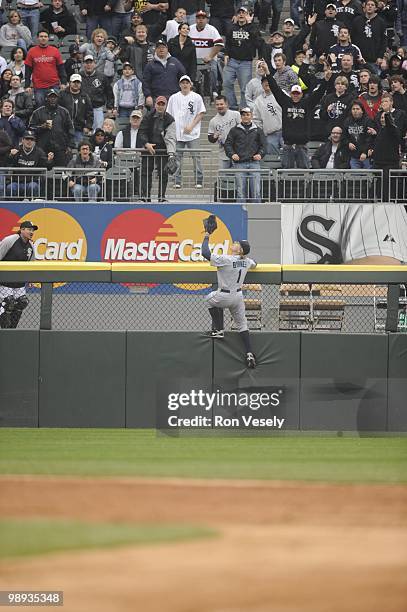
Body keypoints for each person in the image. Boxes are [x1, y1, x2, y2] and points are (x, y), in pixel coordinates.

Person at [201, 229, 257, 369]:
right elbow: (255, 263)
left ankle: (219, 329)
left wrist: (207, 236)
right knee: (242, 325)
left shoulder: (226, 260)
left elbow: (205, 253)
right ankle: (249, 353)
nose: (235, 243)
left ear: (241, 250)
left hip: (224, 296)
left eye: (238, 244)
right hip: (238, 296)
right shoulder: (247, 261)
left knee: (208, 299)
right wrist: (248, 260)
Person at [263, 60, 331, 168]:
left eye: (297, 93)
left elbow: (319, 93)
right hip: (288, 146)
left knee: (304, 172)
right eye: (294, 93)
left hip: (302, 145)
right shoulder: (285, 102)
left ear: (301, 94)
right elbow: (275, 89)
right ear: (290, 94)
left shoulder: (307, 104)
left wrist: (326, 80)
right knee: (286, 174)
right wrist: (267, 73)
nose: (295, 95)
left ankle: (305, 185)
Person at [166, 74, 205, 188]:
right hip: (178, 133)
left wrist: (191, 126)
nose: (185, 84)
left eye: (187, 82)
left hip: (193, 133)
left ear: (190, 84)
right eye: (183, 83)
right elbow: (169, 115)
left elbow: (201, 112)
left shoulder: (196, 97)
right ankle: (177, 181)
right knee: (177, 158)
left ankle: (199, 180)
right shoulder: (174, 97)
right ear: (179, 84)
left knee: (196, 157)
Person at [138, 95, 177, 201]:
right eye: (158, 104)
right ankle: (145, 197)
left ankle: (161, 197)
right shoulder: (147, 116)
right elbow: (142, 131)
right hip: (148, 147)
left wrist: (171, 154)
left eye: (162, 104)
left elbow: (171, 138)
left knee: (163, 173)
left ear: (166, 106)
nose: (160, 106)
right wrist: (146, 144)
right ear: (155, 105)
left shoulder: (170, 119)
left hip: (163, 149)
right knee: (145, 172)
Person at [223, 6, 262, 110]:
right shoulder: (232, 27)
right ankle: (232, 106)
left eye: (243, 13)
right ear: (236, 15)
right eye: (239, 13)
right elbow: (228, 43)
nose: (241, 14)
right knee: (226, 83)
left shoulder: (253, 27)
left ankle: (244, 108)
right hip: (232, 60)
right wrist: (226, 54)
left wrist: (250, 24)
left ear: (248, 15)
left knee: (245, 88)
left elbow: (258, 41)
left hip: (246, 62)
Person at [224, 107, 266, 203]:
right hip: (239, 164)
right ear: (241, 116)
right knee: (240, 191)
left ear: (251, 116)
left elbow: (264, 145)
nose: (245, 116)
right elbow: (228, 144)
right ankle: (240, 214)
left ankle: (256, 214)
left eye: (248, 114)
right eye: (243, 115)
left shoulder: (258, 130)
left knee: (256, 191)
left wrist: (260, 154)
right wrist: (232, 154)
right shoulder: (234, 130)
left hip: (254, 163)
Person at [0, 220, 37, 329]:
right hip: (5, 282)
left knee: (22, 302)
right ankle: (5, 330)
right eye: (29, 229)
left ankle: (12, 329)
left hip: (19, 283)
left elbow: (31, 264)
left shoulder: (31, 245)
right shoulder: (10, 240)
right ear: (22, 230)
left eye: (33, 230)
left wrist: (30, 279)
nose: (32, 232)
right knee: (9, 303)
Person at [29, 89, 75, 166]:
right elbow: (31, 129)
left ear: (58, 98)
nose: (53, 99)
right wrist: (41, 127)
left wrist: (70, 146)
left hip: (60, 147)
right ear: (46, 98)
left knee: (61, 172)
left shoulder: (64, 112)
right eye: (50, 97)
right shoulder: (37, 112)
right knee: (42, 170)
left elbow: (70, 129)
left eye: (55, 97)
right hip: (42, 148)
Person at [24, 30, 67, 107]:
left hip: (54, 85)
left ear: (48, 38)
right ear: (37, 38)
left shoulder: (55, 50)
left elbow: (61, 68)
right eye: (41, 36)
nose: (43, 38)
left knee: (55, 107)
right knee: (40, 107)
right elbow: (28, 71)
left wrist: (63, 82)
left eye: (45, 36)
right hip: (38, 86)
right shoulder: (31, 51)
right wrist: (27, 85)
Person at [7, 129, 54, 199]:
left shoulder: (39, 152)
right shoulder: (17, 150)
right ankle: (12, 208)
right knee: (10, 187)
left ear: (34, 142)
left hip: (32, 182)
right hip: (17, 182)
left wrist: (50, 160)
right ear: (22, 140)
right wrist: (11, 155)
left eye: (32, 139)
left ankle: (32, 207)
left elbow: (48, 167)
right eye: (27, 139)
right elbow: (8, 164)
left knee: (33, 186)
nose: (29, 141)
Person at [142, 38, 185, 108]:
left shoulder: (175, 62)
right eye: (159, 48)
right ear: (155, 50)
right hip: (156, 98)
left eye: (163, 47)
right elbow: (146, 82)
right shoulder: (150, 65)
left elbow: (183, 77)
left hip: (174, 98)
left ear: (167, 49)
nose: (161, 49)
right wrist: (148, 96)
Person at [189, 10, 223, 96]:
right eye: (199, 18)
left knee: (214, 70)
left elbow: (219, 44)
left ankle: (214, 90)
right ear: (195, 19)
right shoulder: (190, 28)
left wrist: (210, 56)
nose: (201, 20)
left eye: (203, 18)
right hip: (193, 60)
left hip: (208, 59)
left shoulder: (212, 29)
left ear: (207, 19)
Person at [351, 0, 386, 74]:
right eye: (368, 5)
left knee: (374, 81)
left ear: (376, 8)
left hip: (374, 60)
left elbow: (384, 41)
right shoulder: (356, 20)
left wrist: (380, 56)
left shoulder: (381, 22)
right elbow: (352, 38)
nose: (370, 6)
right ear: (364, 7)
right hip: (358, 59)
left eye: (372, 5)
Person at [80, 54, 115, 129]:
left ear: (94, 64)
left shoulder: (102, 77)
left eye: (90, 62)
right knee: (82, 131)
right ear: (83, 64)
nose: (89, 65)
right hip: (82, 109)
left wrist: (109, 107)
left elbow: (109, 93)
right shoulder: (79, 77)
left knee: (98, 131)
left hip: (97, 108)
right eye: (86, 63)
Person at [59, 74, 94, 146]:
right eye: (74, 82)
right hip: (64, 128)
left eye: (78, 82)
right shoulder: (62, 95)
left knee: (79, 148)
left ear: (81, 84)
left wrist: (88, 126)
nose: (76, 84)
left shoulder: (85, 96)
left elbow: (90, 113)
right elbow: (58, 110)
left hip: (79, 128)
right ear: (69, 83)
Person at [207, 95, 241, 169]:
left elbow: (244, 129)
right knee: (223, 176)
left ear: (226, 104)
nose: (219, 106)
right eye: (217, 104)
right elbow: (210, 138)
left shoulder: (236, 114)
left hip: (237, 151)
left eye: (221, 104)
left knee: (238, 177)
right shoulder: (213, 121)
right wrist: (214, 137)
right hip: (223, 152)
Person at [252, 76, 283, 155]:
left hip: (285, 131)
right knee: (272, 158)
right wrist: (262, 134)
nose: (267, 83)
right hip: (270, 134)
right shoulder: (258, 101)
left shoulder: (281, 93)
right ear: (261, 84)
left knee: (288, 154)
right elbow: (256, 119)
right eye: (264, 82)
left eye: (268, 81)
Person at [342, 99, 374, 168]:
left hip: (366, 157)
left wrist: (365, 152)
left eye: (357, 109)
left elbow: (370, 138)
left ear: (362, 111)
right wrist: (348, 143)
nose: (355, 111)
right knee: (355, 177)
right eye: (353, 109)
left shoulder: (368, 121)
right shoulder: (347, 121)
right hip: (353, 157)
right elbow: (343, 136)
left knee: (368, 177)